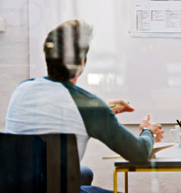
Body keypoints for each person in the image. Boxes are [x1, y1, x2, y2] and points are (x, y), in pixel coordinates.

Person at [6, 20, 164, 193]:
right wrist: (148, 131)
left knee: (84, 172)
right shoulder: (89, 107)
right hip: (58, 189)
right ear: (82, 62)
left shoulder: (21, 90)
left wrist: (102, 109)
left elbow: (52, 110)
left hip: (20, 187)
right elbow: (139, 154)